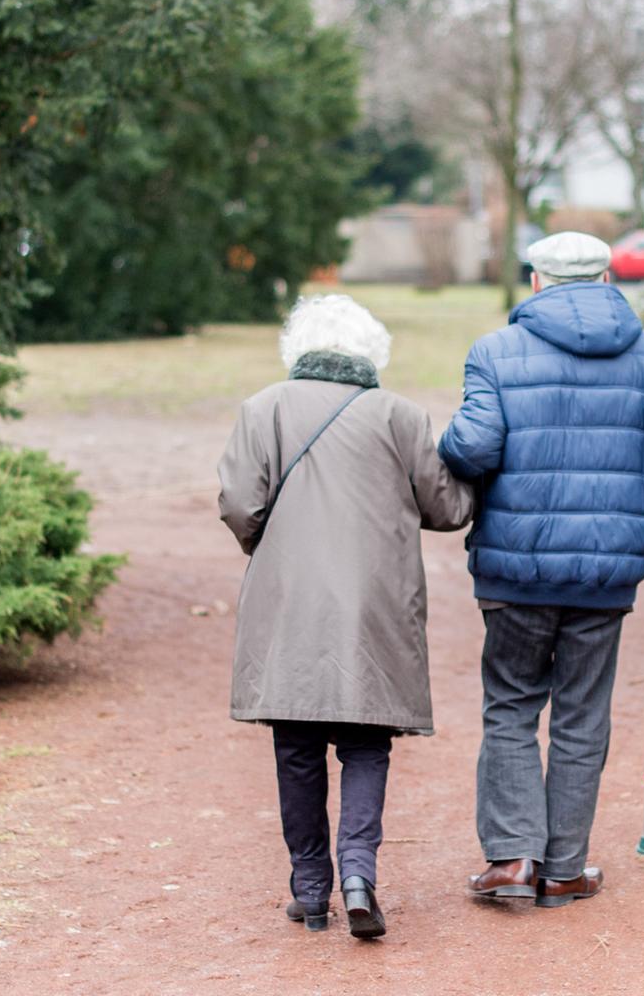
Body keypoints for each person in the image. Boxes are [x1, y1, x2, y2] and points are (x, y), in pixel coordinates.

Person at [438, 231, 644, 908]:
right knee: (583, 714)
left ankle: (511, 857)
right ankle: (564, 867)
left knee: (511, 704)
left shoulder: (494, 353)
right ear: (608, 279)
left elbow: (471, 449)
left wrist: (449, 438)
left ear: (537, 281)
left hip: (515, 567)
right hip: (608, 572)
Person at [218, 294, 472, 938]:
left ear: (298, 348)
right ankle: (358, 875)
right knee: (366, 745)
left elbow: (240, 505)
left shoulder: (263, 408)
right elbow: (446, 509)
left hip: (289, 602)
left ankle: (310, 891)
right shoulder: (400, 416)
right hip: (375, 605)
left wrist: (268, 549)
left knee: (296, 746)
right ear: (370, 351)